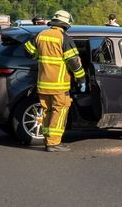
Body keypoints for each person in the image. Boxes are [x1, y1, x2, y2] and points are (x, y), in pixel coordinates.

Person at [23, 10, 86, 152]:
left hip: (43, 83)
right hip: (59, 85)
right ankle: (53, 143)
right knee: (60, 111)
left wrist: (39, 56)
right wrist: (81, 79)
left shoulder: (41, 35)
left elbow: (27, 51)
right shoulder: (65, 39)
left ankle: (48, 140)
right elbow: (74, 63)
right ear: (66, 24)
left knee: (47, 111)